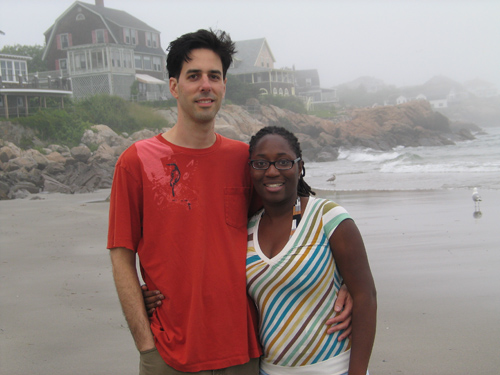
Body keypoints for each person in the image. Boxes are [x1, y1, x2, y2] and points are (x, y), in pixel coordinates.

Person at [108, 29, 352, 375]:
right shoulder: (137, 161)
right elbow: (121, 255)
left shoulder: (244, 161)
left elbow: (297, 218)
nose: (205, 85)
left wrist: (345, 283)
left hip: (243, 352)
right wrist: (146, 347)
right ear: (174, 86)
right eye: (194, 76)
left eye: (214, 76)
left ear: (224, 86)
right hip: (168, 353)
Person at [246, 126, 377, 375]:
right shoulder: (248, 229)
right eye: (261, 163)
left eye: (283, 162)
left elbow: (366, 296)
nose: (272, 171)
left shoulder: (328, 217)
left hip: (334, 369)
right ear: (251, 169)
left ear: (300, 167)